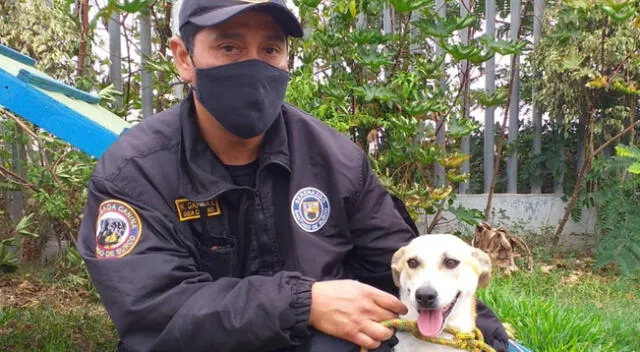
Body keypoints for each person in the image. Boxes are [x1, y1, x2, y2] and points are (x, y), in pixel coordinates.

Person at [77, 1, 509, 351]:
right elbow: (153, 310)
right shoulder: (133, 172)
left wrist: (491, 337)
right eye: (229, 47)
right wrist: (304, 303)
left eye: (270, 49)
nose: (253, 65)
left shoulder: (336, 160)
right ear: (184, 57)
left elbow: (400, 266)